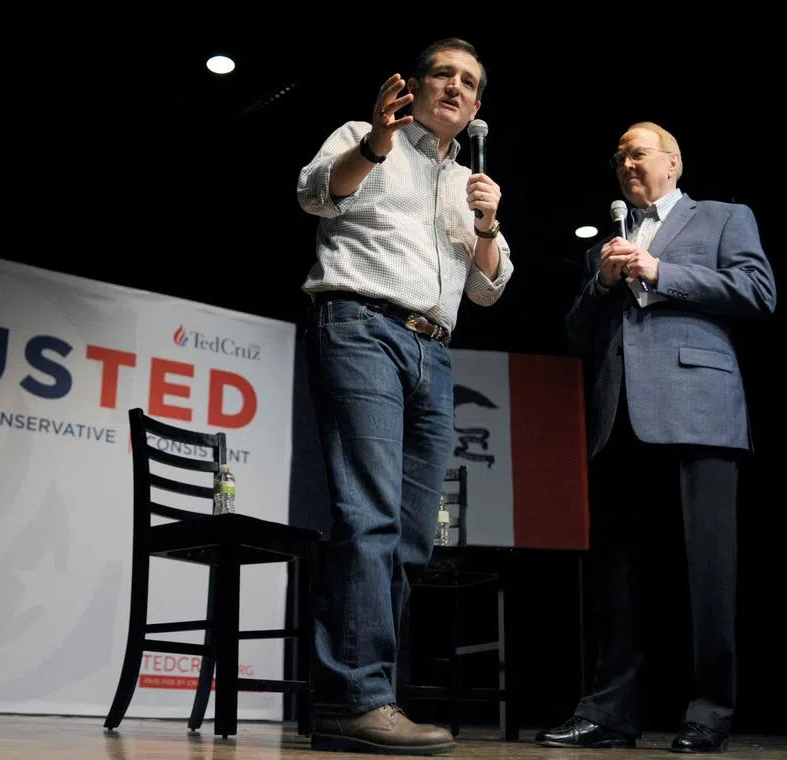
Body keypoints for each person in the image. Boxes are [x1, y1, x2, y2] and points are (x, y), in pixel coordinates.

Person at [296, 37, 513, 755]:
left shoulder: (469, 184)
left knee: (415, 535)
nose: (455, 86)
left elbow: (488, 285)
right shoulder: (364, 136)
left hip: (437, 351)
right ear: (413, 87)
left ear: (477, 107)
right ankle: (354, 695)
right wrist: (380, 144)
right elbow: (315, 194)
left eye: (469, 82)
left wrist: (486, 223)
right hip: (362, 325)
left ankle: (365, 694)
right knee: (368, 514)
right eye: (443, 74)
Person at [537, 122, 777, 753]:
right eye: (617, 157)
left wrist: (660, 270)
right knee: (618, 578)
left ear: (672, 162)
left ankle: (708, 711)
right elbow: (576, 333)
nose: (625, 163)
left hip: (700, 409)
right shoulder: (604, 247)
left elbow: (758, 291)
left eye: (636, 152)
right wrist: (603, 285)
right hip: (620, 417)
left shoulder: (723, 218)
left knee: (707, 571)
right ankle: (610, 712)